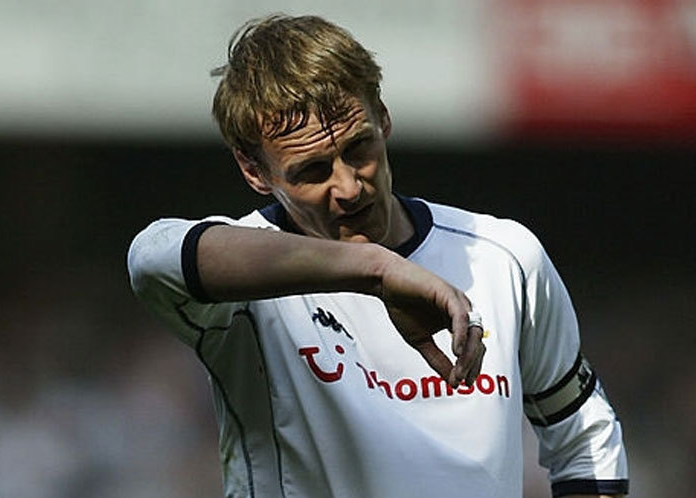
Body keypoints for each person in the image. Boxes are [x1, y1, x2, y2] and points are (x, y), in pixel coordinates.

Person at [127, 14, 628, 498]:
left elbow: (584, 437)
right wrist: (377, 269)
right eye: (312, 170)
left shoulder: (505, 254)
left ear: (382, 118)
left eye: (359, 148)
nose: (347, 187)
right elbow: (151, 259)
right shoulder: (245, 281)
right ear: (255, 171)